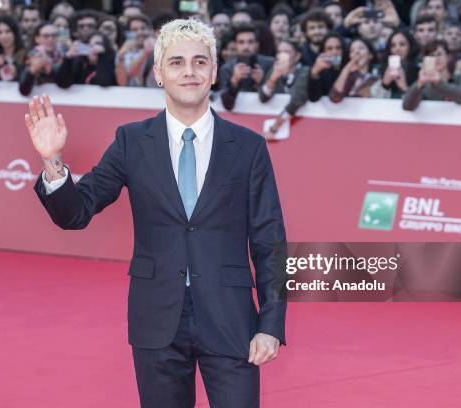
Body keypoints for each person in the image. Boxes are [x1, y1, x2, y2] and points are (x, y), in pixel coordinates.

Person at [25, 18, 287, 408]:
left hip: (232, 319)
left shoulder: (248, 147)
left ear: (214, 72)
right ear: (159, 74)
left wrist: (270, 325)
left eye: (200, 62)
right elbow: (75, 213)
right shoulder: (132, 141)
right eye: (177, 62)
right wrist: (53, 163)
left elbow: (270, 242)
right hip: (156, 318)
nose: (189, 71)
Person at [259, 38, 310, 139]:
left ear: (297, 56)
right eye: (279, 52)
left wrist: (276, 126)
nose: (281, 56)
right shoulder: (274, 70)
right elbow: (263, 97)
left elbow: (297, 100)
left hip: (302, 127)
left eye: (286, 52)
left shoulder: (305, 71)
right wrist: (273, 78)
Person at [218, 23, 275, 110]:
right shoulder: (227, 69)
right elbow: (227, 105)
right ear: (235, 45)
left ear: (257, 44)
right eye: (241, 42)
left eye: (250, 42)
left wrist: (261, 82)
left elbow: (278, 97)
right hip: (237, 119)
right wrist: (234, 81)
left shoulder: (270, 64)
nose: (246, 46)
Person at [402, 39, 461, 110]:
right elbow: (408, 106)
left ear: (448, 57)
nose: (436, 59)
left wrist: (438, 83)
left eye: (439, 54)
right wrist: (419, 85)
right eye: (432, 56)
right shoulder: (423, 83)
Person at [329, 38, 379, 102]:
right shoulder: (349, 77)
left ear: (370, 55)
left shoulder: (378, 74)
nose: (357, 52)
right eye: (352, 50)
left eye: (361, 48)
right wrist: (347, 68)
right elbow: (335, 97)